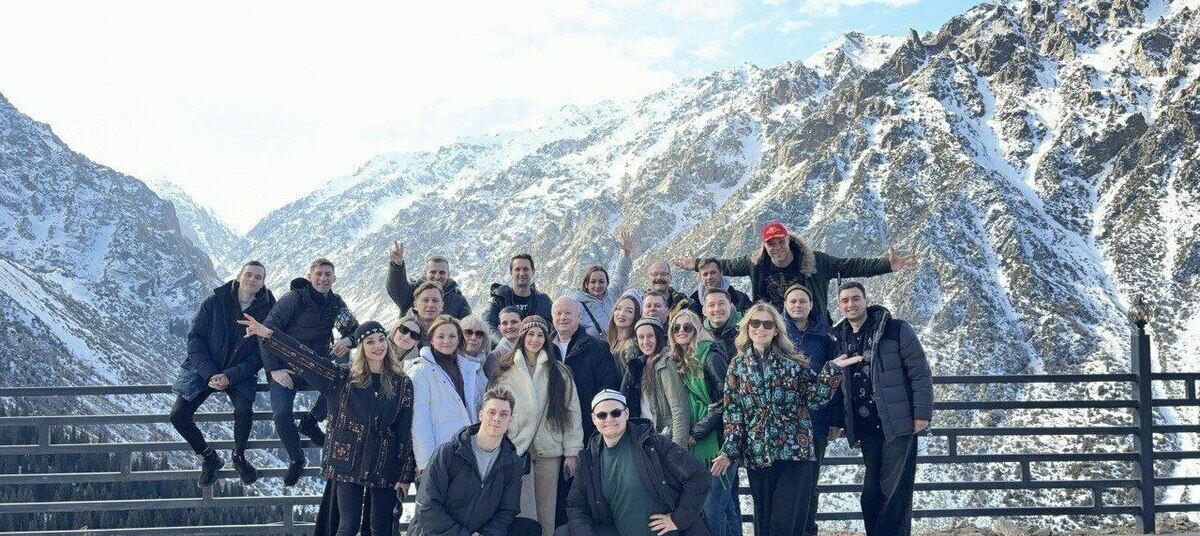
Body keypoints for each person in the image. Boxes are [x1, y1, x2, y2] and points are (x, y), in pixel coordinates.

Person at [240, 317, 415, 536]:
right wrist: (269, 335)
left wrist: (405, 474)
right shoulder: (341, 377)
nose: (378, 345)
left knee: (380, 527)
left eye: (381, 339)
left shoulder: (402, 383)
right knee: (348, 525)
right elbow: (306, 359)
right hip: (347, 462)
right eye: (370, 341)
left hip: (383, 461)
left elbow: (404, 431)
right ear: (361, 347)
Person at [710, 303, 858, 536]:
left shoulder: (793, 363)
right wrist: (729, 451)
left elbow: (815, 399)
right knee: (765, 524)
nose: (761, 328)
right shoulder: (737, 367)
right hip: (759, 453)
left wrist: (831, 369)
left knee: (785, 523)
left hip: (794, 452)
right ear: (747, 327)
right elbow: (733, 413)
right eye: (755, 323)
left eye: (767, 324)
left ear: (776, 329)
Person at [832, 282, 931, 536]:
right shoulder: (839, 338)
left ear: (866, 301)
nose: (851, 304)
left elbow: (919, 372)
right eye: (845, 300)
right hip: (866, 427)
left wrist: (922, 413)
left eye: (856, 298)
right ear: (839, 305)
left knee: (895, 491)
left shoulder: (895, 329)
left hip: (898, 422)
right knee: (872, 494)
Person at [674, 220, 915, 319]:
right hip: (772, 328)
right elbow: (724, 266)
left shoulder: (816, 262)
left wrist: (887, 265)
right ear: (765, 246)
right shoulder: (755, 263)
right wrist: (697, 263)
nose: (776, 247)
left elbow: (850, 265)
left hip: (812, 325)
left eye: (780, 241)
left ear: (788, 240)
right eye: (771, 243)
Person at [171, 261, 275, 486]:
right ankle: (209, 457)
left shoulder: (268, 309)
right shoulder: (214, 302)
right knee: (178, 416)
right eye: (249, 275)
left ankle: (239, 456)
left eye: (258, 277)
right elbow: (195, 338)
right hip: (204, 368)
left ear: (262, 283)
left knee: (244, 411)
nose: (252, 280)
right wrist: (210, 373)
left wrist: (231, 375)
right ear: (239, 276)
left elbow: (261, 353)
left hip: (240, 371)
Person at [261, 258, 359, 486]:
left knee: (344, 382)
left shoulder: (335, 304)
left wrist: (349, 340)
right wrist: (274, 369)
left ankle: (310, 421)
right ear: (310, 277)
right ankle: (297, 459)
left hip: (315, 366)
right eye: (319, 274)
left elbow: (356, 330)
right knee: (281, 414)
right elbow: (265, 330)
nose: (323, 278)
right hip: (285, 367)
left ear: (334, 278)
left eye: (328, 274)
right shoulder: (294, 299)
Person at [564, 389, 712, 536]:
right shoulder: (588, 460)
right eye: (602, 415)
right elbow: (576, 506)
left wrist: (678, 519)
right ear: (593, 419)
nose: (609, 419)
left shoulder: (653, 444)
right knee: (562, 532)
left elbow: (699, 476)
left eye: (616, 413)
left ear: (626, 413)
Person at [490, 316, 583, 536]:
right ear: (522, 337)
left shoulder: (559, 372)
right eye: (530, 334)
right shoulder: (506, 370)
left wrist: (572, 452)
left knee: (546, 509)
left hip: (548, 447)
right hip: (516, 448)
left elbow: (572, 412)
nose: (535, 339)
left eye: (540, 335)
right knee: (522, 510)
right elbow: (494, 408)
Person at [408, 387, 542, 536]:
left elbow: (507, 511)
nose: (497, 418)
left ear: (510, 419)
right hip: (439, 532)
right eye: (492, 412)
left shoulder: (512, 464)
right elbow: (426, 505)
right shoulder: (448, 453)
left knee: (529, 528)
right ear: (481, 415)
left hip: (478, 531)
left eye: (503, 414)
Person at [668, 310, 739, 536]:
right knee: (725, 505)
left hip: (718, 442)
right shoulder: (680, 360)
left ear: (698, 329)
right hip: (703, 439)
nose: (681, 331)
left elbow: (726, 400)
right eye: (676, 327)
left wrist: (696, 433)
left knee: (713, 505)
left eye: (687, 327)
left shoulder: (710, 356)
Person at [781, 284, 842, 536]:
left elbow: (835, 380)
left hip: (816, 421)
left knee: (811, 482)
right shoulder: (777, 334)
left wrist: (835, 419)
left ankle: (808, 530)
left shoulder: (823, 337)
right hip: (784, 423)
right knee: (787, 482)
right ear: (785, 305)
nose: (797, 305)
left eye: (802, 301)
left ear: (811, 305)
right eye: (793, 301)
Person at [410, 315, 489, 474]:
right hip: (440, 455)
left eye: (452, 336)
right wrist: (426, 463)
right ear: (431, 340)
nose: (447, 341)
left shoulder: (467, 368)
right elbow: (419, 421)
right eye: (441, 336)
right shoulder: (420, 371)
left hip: (467, 450)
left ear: (459, 340)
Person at [549, 297, 620, 441]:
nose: (562, 317)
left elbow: (607, 388)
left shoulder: (598, 348)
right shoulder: (544, 349)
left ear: (578, 316)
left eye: (568, 313)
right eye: (558, 313)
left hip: (587, 429)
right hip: (552, 430)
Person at [572, 231, 635, 339]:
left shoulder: (611, 295)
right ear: (586, 284)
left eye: (601, 282)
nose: (597, 285)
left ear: (607, 283)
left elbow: (620, 276)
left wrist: (626, 253)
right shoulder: (577, 306)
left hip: (618, 346)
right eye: (593, 282)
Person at [387, 241, 471, 319]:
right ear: (425, 274)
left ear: (448, 275)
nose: (437, 276)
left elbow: (469, 326)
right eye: (433, 272)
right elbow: (396, 288)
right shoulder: (411, 293)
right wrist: (397, 265)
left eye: (442, 272)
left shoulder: (459, 301)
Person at [488, 254, 553, 333]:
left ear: (533, 271)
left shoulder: (543, 302)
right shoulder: (499, 300)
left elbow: (554, 329)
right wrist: (505, 341)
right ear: (511, 272)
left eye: (525, 269)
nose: (521, 273)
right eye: (517, 269)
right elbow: (489, 327)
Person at [619, 317, 665, 421]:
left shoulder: (668, 362)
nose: (645, 341)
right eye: (641, 337)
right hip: (642, 427)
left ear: (658, 337)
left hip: (665, 428)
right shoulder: (635, 366)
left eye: (650, 336)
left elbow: (677, 407)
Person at [687, 258, 753, 322]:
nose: (709, 277)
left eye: (713, 272)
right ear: (700, 277)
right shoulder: (693, 302)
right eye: (705, 274)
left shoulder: (741, 299)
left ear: (721, 273)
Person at [604, 292, 641, 374]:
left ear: (635, 317)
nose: (622, 314)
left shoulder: (631, 347)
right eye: (619, 309)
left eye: (629, 311)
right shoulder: (608, 340)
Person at [701, 288, 742, 360]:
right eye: (711, 305)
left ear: (731, 306)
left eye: (721, 304)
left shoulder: (746, 330)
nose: (717, 309)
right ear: (704, 311)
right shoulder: (699, 336)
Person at [489, 306, 524, 376]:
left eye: (514, 322)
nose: (509, 326)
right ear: (499, 328)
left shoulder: (532, 349)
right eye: (505, 323)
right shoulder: (494, 357)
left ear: (522, 324)